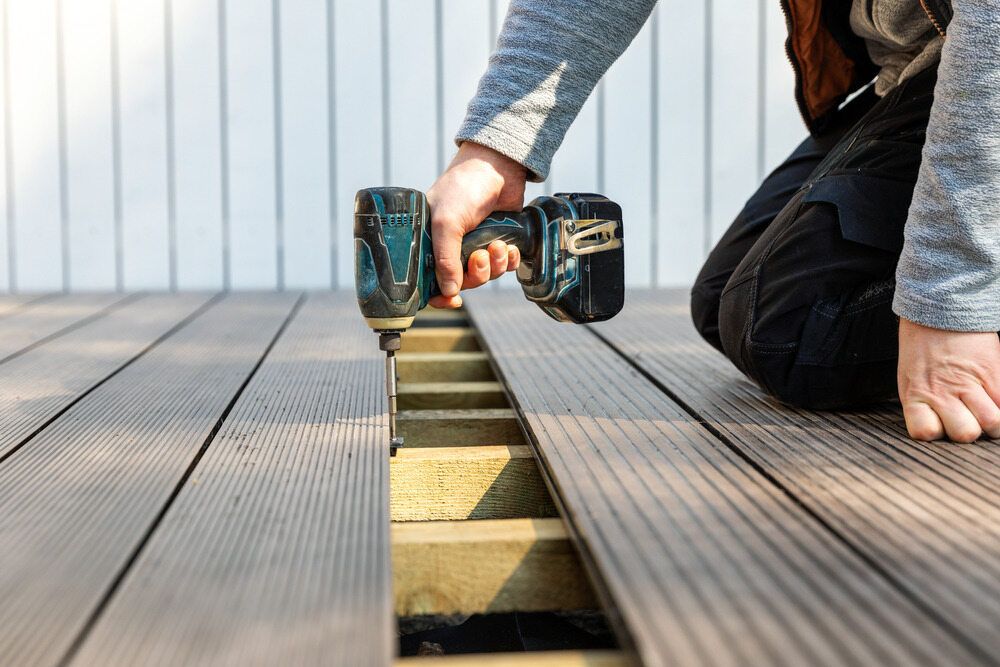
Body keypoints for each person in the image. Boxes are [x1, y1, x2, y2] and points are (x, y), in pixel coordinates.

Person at [424, 0, 999, 444]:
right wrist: (493, 155)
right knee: (726, 302)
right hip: (922, 74)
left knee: (795, 331)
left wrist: (952, 302)